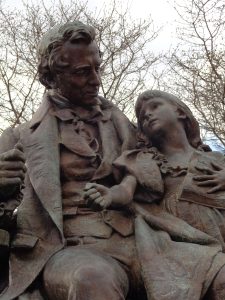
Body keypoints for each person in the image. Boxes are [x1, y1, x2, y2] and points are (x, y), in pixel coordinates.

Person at [0, 21, 138, 300]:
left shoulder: (123, 124)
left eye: (98, 68)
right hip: (66, 248)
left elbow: (171, 163)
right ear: (52, 78)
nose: (97, 80)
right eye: (82, 73)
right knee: (92, 279)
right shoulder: (19, 137)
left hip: (140, 238)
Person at [84, 90, 225, 300]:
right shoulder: (145, 160)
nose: (147, 115)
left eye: (155, 106)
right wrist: (110, 196)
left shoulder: (215, 158)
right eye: (141, 116)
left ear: (180, 111)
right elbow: (125, 190)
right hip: (182, 240)